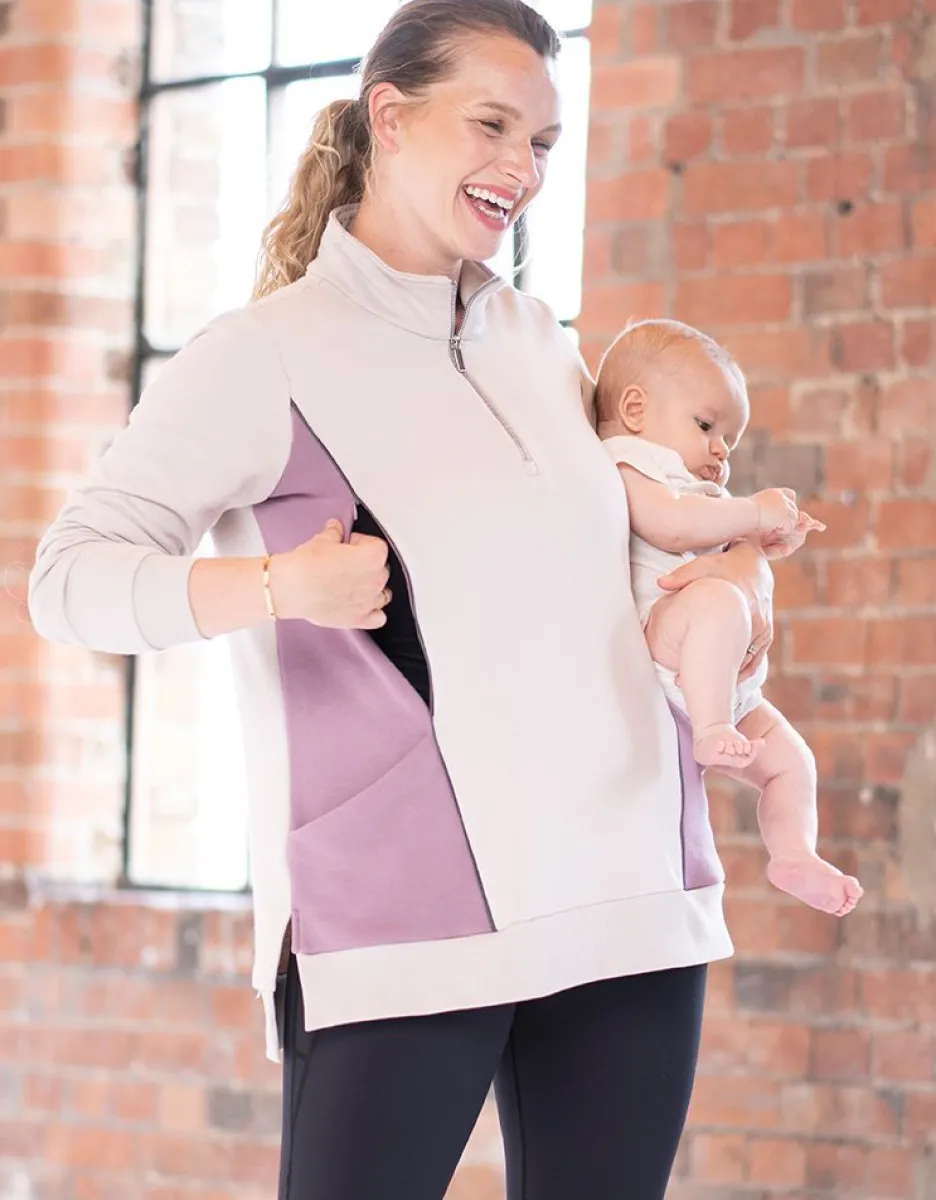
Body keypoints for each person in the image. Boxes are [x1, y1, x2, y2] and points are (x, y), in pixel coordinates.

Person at [27, 3, 777, 1197]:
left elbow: (620, 583)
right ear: (390, 115)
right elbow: (67, 582)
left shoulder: (546, 346)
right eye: (491, 125)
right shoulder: (262, 355)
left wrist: (732, 610)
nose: (521, 167)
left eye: (543, 140)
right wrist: (278, 585)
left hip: (631, 899)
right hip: (399, 925)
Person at [596, 319, 863, 920]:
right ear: (635, 409)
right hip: (666, 632)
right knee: (717, 601)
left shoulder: (698, 485)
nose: (720, 450)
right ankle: (712, 729)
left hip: (726, 678)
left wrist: (770, 538)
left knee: (793, 761)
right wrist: (752, 513)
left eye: (730, 441)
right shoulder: (633, 464)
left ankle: (793, 854)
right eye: (706, 426)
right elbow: (671, 527)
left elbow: (720, 538)